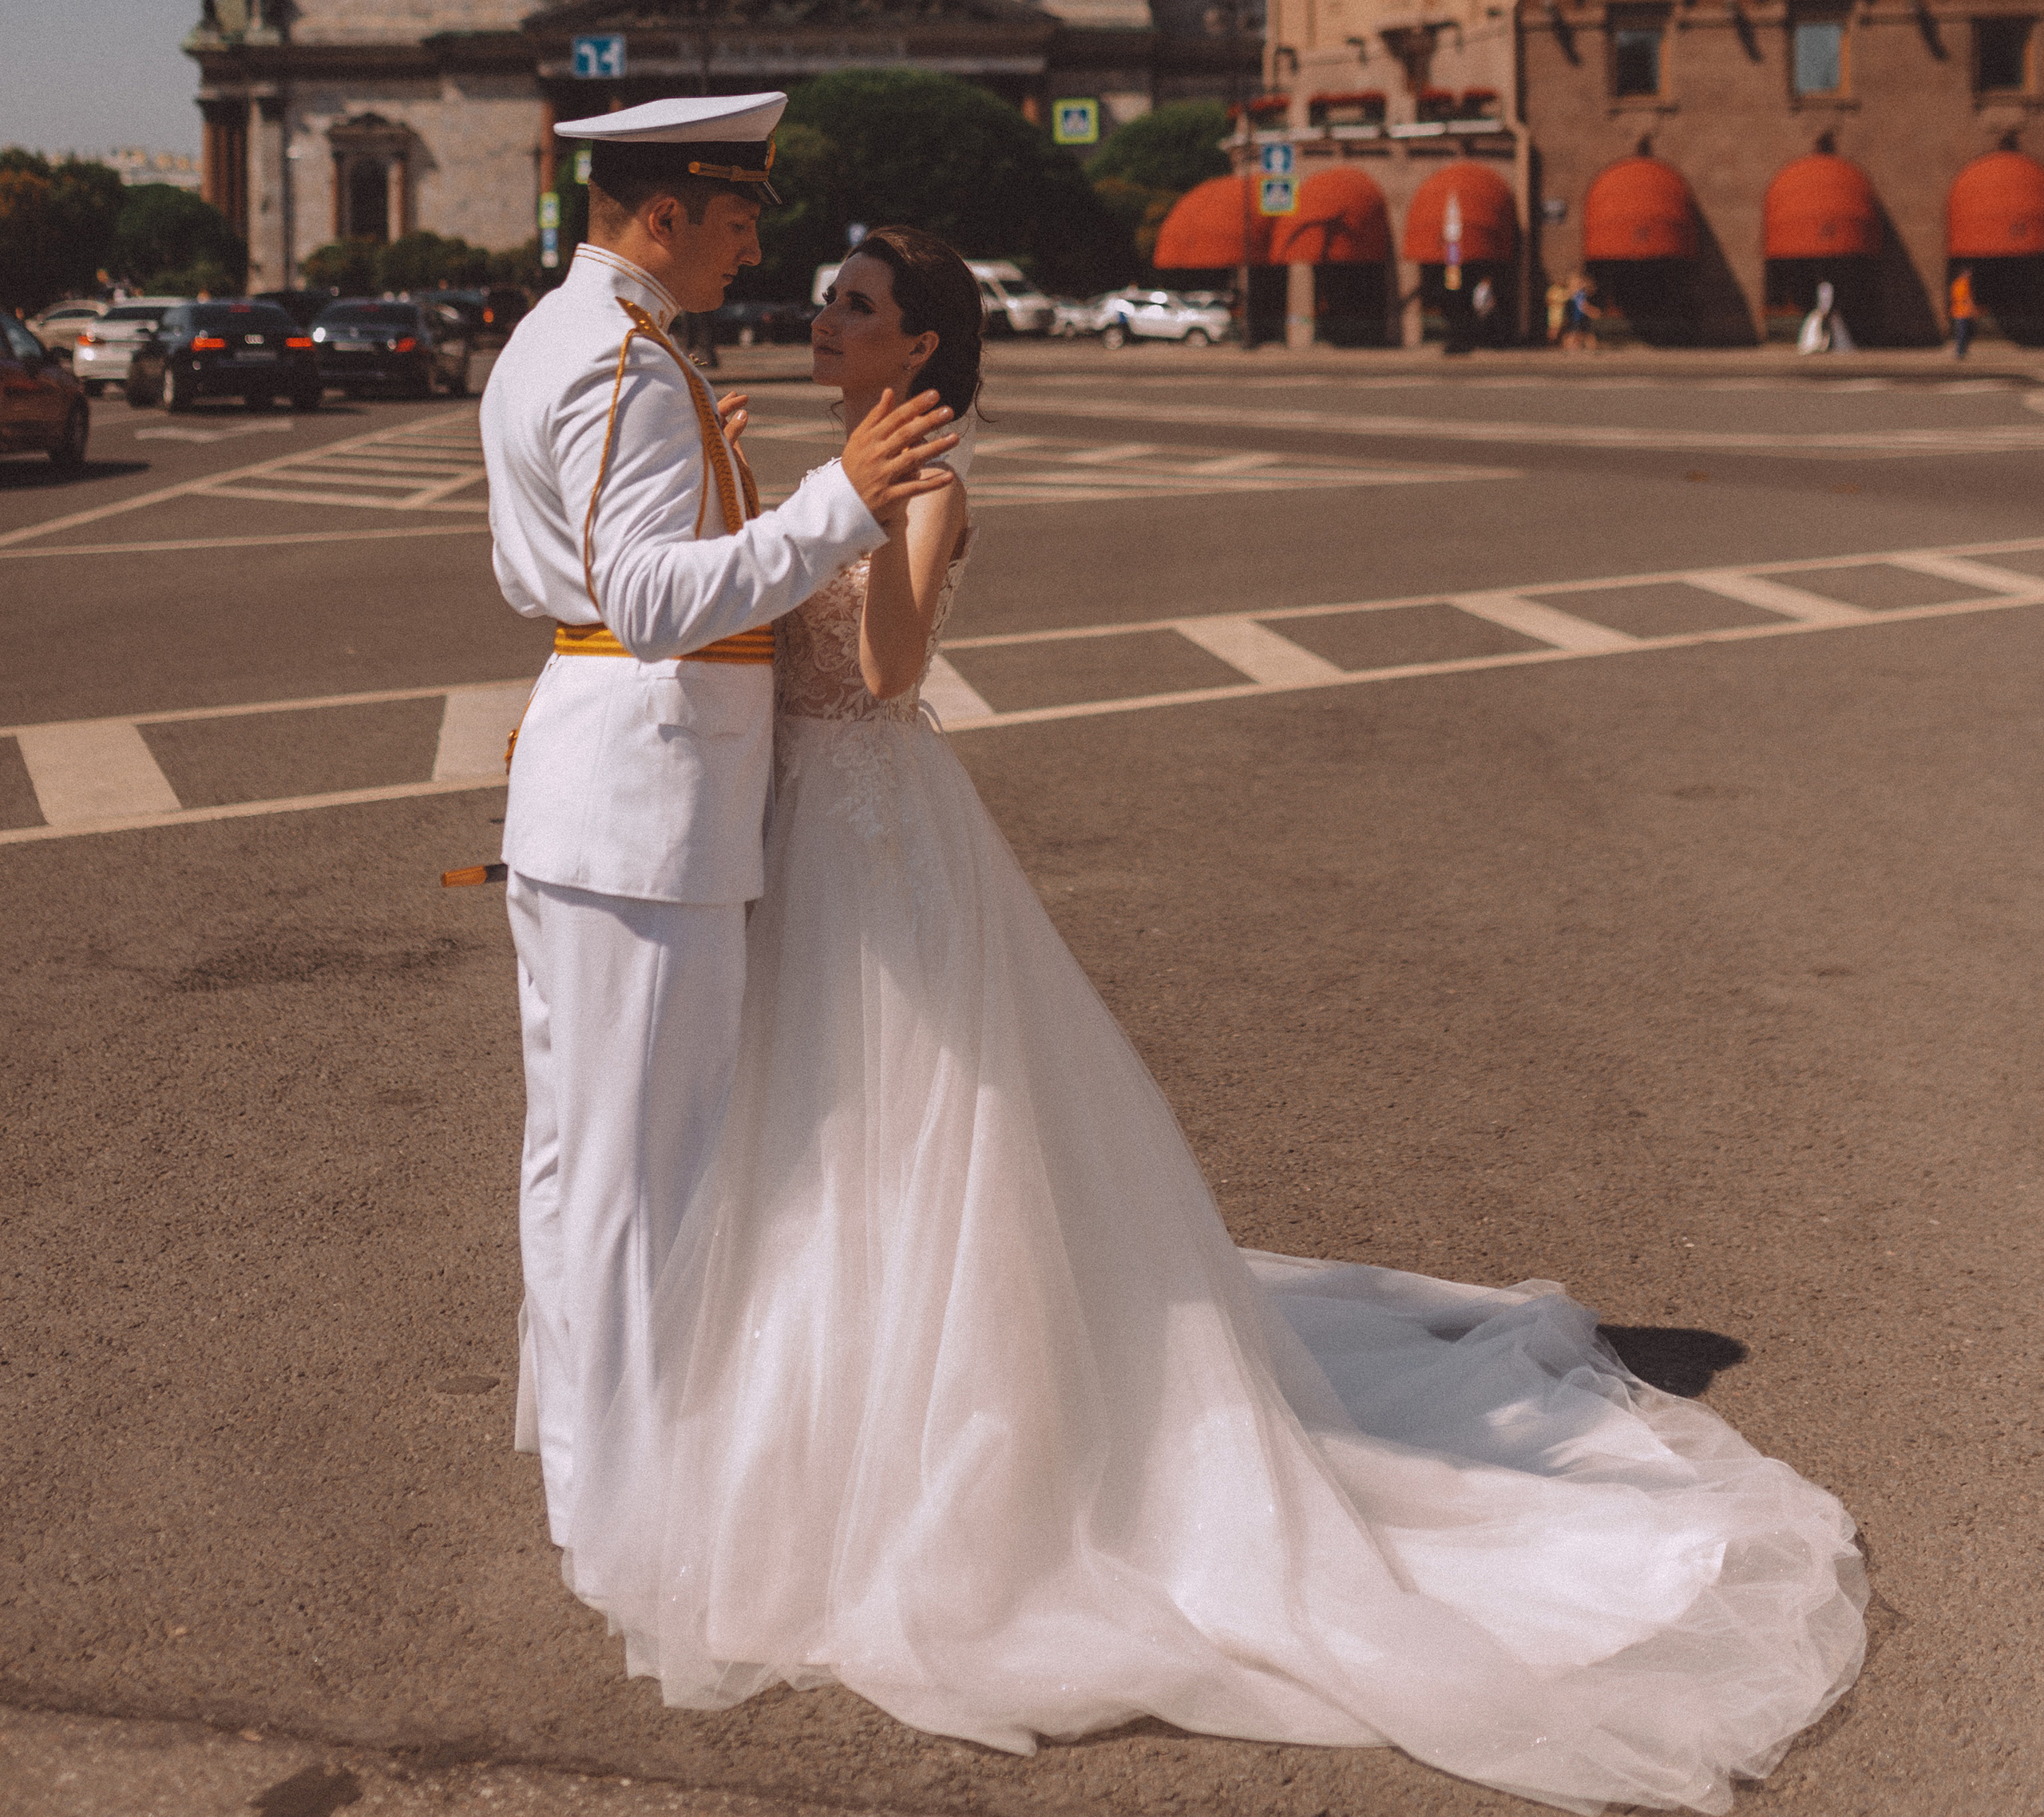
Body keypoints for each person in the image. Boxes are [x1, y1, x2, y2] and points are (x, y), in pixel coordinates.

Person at [560, 227, 1865, 1811]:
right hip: (799, 832)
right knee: (806, 1140)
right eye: (829, 299)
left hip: (877, 840)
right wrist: (753, 499)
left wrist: (850, 505)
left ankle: (944, 1465)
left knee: (906, 1132)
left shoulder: (931, 485)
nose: (824, 319)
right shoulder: (826, 464)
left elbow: (886, 672)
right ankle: (803, 1438)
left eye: (857, 306)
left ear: (919, 347)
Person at [478, 96, 957, 1562]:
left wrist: (723, 482)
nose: (755, 248)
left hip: (592, 786)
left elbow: (562, 571)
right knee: (645, 1175)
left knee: (578, 1157)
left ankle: (583, 1457)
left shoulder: (565, 336)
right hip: (646, 804)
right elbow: (647, 600)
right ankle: (627, 1507)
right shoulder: (625, 362)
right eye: (739, 217)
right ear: (667, 212)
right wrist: (833, 503)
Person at [1949, 264, 1977, 360]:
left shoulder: (1956, 283)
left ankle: (1962, 351)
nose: (1970, 274)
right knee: (1962, 333)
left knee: (1963, 333)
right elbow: (1966, 298)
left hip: (1959, 312)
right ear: (1964, 273)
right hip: (1962, 313)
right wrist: (1972, 310)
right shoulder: (1963, 283)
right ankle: (1960, 352)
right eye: (1969, 272)